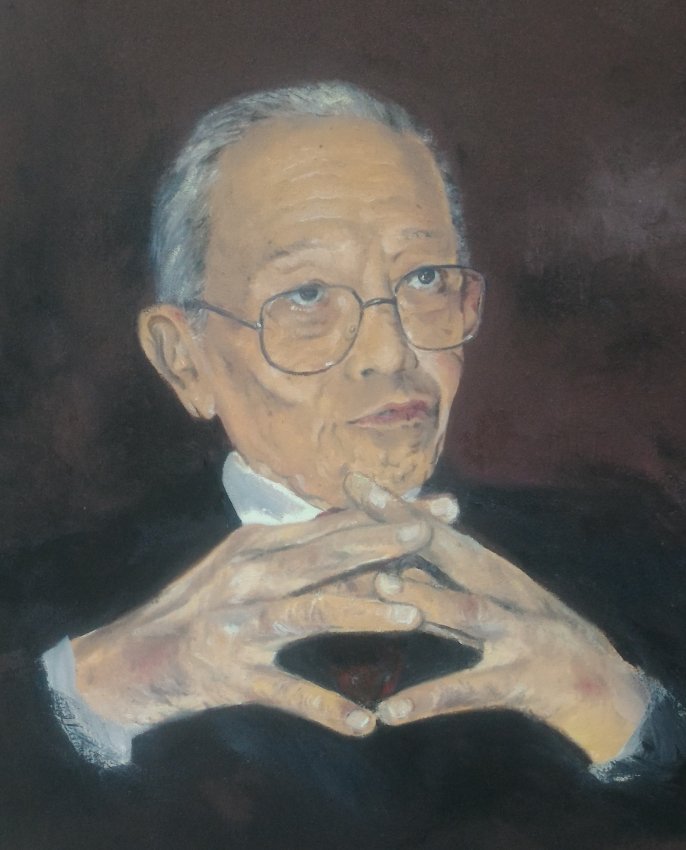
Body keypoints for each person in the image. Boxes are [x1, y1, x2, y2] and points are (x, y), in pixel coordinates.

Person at [16, 81, 686, 847]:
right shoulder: (52, 609)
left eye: (425, 280)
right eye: (306, 294)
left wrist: (633, 723)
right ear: (184, 359)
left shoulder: (634, 576)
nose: (391, 353)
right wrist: (94, 697)